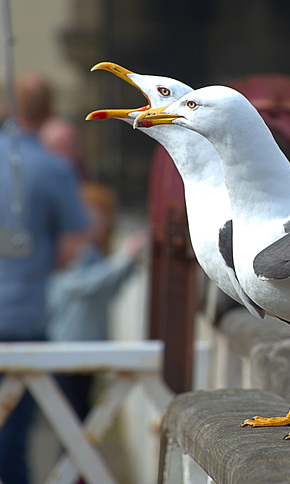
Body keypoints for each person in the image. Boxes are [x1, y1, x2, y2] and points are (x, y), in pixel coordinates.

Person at [0, 73, 88, 484]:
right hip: (22, 317)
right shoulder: (54, 170)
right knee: (12, 437)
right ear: (49, 111)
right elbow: (72, 248)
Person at [47, 182, 146, 419]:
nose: (97, 224)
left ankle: (73, 457)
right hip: (66, 347)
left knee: (78, 414)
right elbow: (86, 284)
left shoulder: (91, 252)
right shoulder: (71, 250)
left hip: (83, 347)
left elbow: (104, 287)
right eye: (92, 217)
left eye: (102, 218)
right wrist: (125, 258)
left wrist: (128, 263)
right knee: (72, 417)